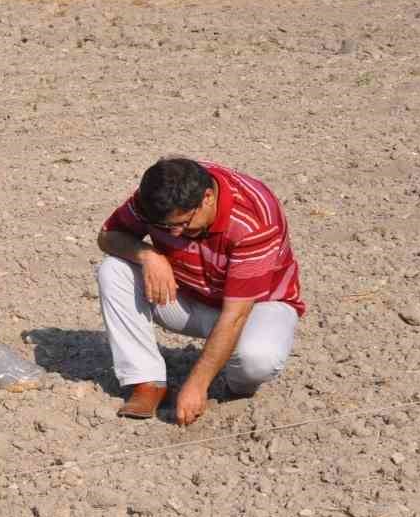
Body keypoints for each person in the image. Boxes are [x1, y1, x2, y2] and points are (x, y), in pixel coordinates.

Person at [96, 157, 303, 426]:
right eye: (167, 228)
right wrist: (148, 255)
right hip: (186, 296)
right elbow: (107, 236)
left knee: (257, 360)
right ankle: (147, 382)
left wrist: (197, 384)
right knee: (114, 270)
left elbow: (235, 316)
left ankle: (236, 385)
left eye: (183, 223)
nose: (177, 233)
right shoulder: (157, 198)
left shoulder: (253, 220)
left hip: (255, 307)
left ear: (207, 197)